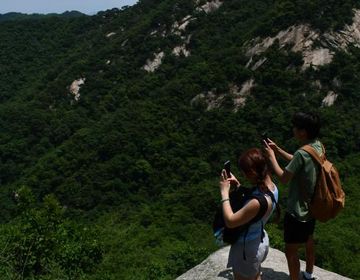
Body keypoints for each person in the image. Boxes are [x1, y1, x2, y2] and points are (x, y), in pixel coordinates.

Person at [263, 112, 322, 280]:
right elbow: (298, 163)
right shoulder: (317, 146)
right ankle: (309, 274)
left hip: (297, 211)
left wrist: (271, 156)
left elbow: (283, 178)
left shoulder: (301, 153)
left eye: (296, 127)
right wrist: (278, 150)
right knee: (309, 240)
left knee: (291, 251)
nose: (293, 129)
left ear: (303, 132)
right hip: (311, 207)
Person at [219, 148, 279, 280]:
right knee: (255, 275)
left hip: (246, 250)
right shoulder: (273, 188)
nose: (244, 176)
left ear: (252, 173)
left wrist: (224, 192)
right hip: (260, 240)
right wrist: (239, 186)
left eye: (245, 173)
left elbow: (230, 221)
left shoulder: (256, 203)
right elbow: (256, 210)